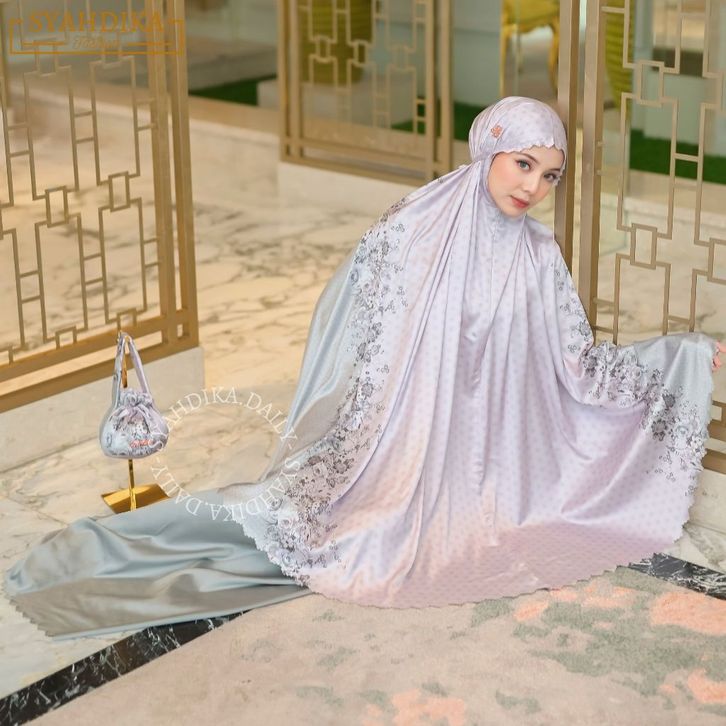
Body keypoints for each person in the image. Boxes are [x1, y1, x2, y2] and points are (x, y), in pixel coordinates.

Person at [4, 96, 723, 639]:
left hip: (492, 470)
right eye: (523, 164)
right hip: (399, 446)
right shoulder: (416, 226)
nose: (532, 188)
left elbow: (576, 363)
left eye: (549, 175)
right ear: (490, 150)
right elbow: (353, 320)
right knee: (315, 524)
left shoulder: (538, 255)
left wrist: (683, 355)